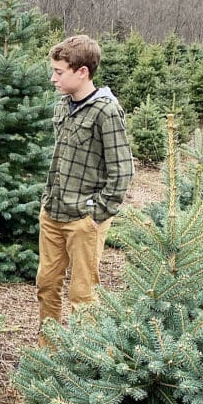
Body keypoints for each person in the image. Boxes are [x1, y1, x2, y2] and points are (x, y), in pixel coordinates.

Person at [37, 34, 134, 338]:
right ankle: (48, 351)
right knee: (46, 284)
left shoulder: (105, 111)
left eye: (59, 71)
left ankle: (82, 360)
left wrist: (97, 213)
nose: (53, 78)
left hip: (84, 220)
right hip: (53, 212)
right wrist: (47, 199)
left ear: (82, 72)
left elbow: (122, 169)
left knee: (82, 295)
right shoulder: (64, 106)